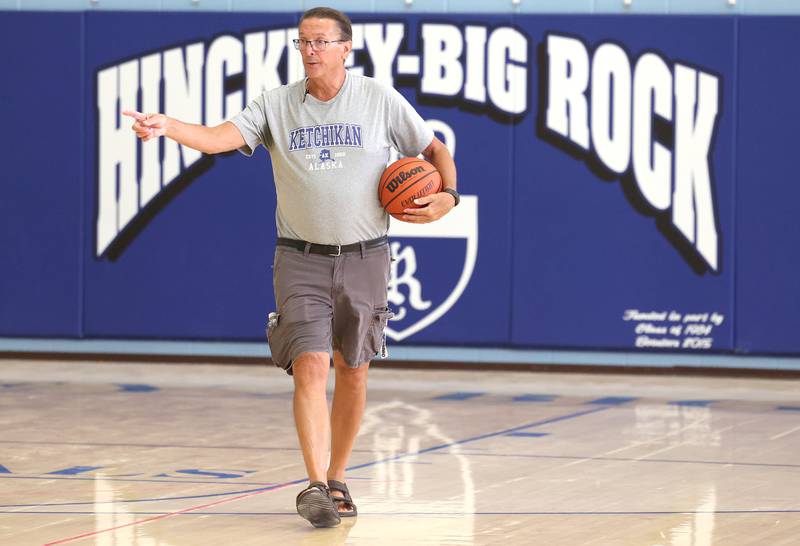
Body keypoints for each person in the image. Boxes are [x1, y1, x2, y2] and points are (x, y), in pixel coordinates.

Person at [124, 6, 458, 528]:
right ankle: (315, 485)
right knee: (310, 365)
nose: (310, 51)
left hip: (367, 256)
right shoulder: (277, 104)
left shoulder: (378, 99)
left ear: (346, 48)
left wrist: (449, 198)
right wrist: (167, 126)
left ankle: (339, 476)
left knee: (353, 371)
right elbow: (219, 137)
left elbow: (435, 150)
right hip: (299, 256)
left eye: (321, 42)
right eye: (303, 42)